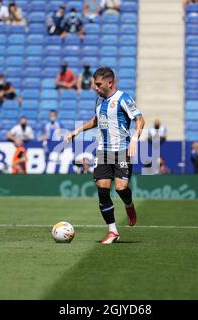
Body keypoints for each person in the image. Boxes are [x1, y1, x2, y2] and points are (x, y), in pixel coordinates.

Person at [65, 67, 145, 245]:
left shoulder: (123, 98)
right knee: (102, 189)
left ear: (110, 83)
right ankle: (112, 231)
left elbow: (140, 119)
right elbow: (96, 120)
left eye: (98, 84)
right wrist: (76, 131)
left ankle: (129, 205)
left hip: (123, 150)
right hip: (103, 151)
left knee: (121, 188)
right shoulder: (99, 101)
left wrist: (134, 139)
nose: (95, 87)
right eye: (94, 83)